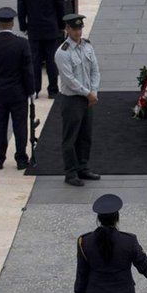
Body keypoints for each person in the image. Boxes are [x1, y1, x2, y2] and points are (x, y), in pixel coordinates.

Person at [0, 7, 33, 170]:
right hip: (18, 92)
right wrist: (31, 91)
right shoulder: (22, 43)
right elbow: (28, 70)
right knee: (20, 126)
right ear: (12, 23)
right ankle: (21, 159)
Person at [56, 13, 101, 186]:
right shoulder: (63, 52)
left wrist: (94, 91)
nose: (78, 32)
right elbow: (69, 80)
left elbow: (95, 70)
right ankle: (70, 172)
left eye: (80, 28)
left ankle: (83, 167)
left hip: (88, 98)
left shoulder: (87, 46)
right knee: (70, 137)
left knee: (85, 135)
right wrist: (87, 93)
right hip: (73, 99)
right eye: (74, 29)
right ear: (67, 29)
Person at [18, 0, 65, 98]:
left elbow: (21, 7)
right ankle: (52, 90)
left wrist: (23, 26)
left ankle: (35, 89)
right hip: (51, 27)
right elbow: (60, 6)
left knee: (35, 60)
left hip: (34, 28)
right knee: (52, 60)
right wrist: (62, 25)